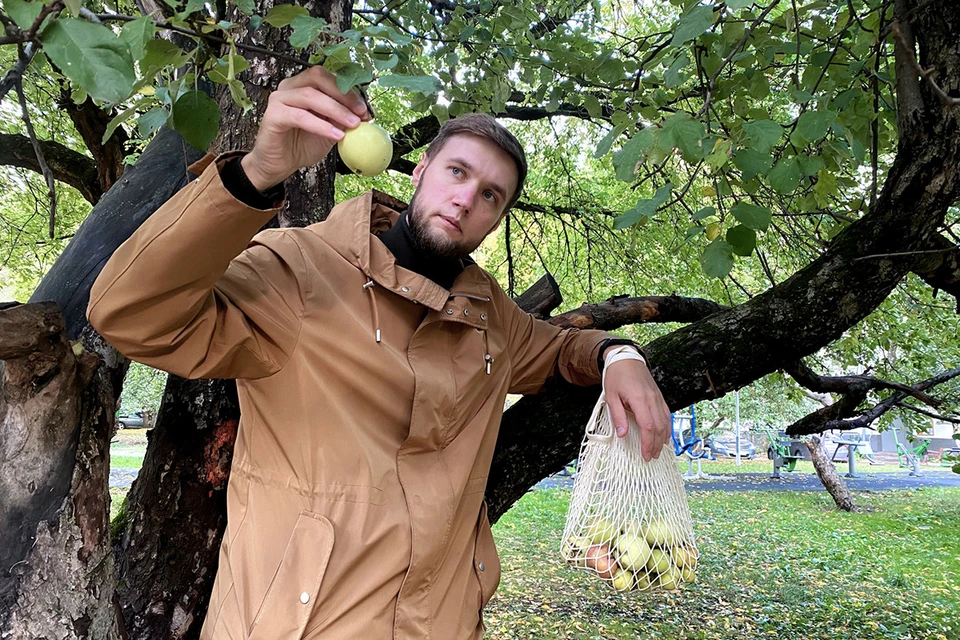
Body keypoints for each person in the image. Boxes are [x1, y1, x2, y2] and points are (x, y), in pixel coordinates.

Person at [87, 66, 671, 640]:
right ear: (420, 171)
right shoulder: (298, 269)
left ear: (497, 218)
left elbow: (562, 346)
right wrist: (257, 172)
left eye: (490, 194)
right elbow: (132, 313)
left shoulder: (489, 315)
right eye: (457, 172)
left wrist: (621, 357)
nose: (467, 198)